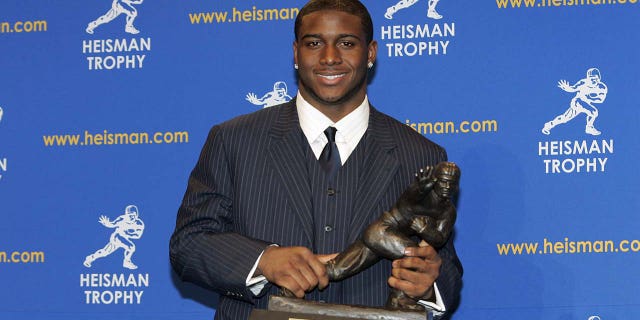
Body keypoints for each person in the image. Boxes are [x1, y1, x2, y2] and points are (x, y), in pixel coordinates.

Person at [169, 1, 462, 319]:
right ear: (296, 54)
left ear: (371, 52)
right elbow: (189, 244)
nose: (330, 57)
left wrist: (428, 282)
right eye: (314, 43)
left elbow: (444, 268)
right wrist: (264, 261)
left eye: (347, 43)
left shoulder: (422, 155)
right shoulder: (233, 141)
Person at [326, 162, 460, 310]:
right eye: (443, 182)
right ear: (435, 180)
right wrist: (419, 188)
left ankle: (398, 301)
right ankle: (398, 301)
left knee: (336, 270)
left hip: (385, 236)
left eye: (452, 184)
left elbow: (439, 239)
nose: (447, 187)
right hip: (381, 231)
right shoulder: (423, 192)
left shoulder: (448, 211)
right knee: (414, 258)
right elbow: (407, 201)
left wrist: (424, 229)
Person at [542, 68, 608, 136]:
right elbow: (573, 88)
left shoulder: (602, 87)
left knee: (564, 118)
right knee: (593, 112)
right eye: (591, 78)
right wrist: (567, 88)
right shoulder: (583, 83)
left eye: (595, 78)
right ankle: (589, 127)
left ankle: (549, 125)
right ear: (588, 78)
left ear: (599, 78)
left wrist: (589, 97)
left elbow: (600, 100)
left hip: (587, 104)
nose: (593, 80)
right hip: (577, 102)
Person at [84, 205, 145, 270]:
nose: (132, 217)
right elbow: (112, 224)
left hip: (124, 238)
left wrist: (127, 233)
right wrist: (107, 223)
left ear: (136, 215)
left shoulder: (139, 224)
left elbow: (138, 236)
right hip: (117, 237)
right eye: (129, 215)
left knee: (104, 252)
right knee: (131, 247)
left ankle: (90, 258)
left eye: (133, 215)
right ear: (126, 214)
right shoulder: (122, 219)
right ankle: (126, 262)